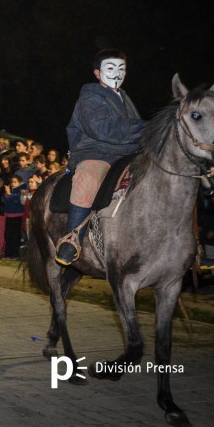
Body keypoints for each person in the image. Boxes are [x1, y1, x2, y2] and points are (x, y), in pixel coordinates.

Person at [55, 49, 147, 266]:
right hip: (96, 152)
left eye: (122, 69)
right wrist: (148, 127)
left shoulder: (124, 98)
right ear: (97, 73)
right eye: (111, 68)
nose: (117, 73)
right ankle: (72, 238)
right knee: (88, 176)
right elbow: (103, 130)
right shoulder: (90, 97)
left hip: (127, 153)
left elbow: (136, 130)